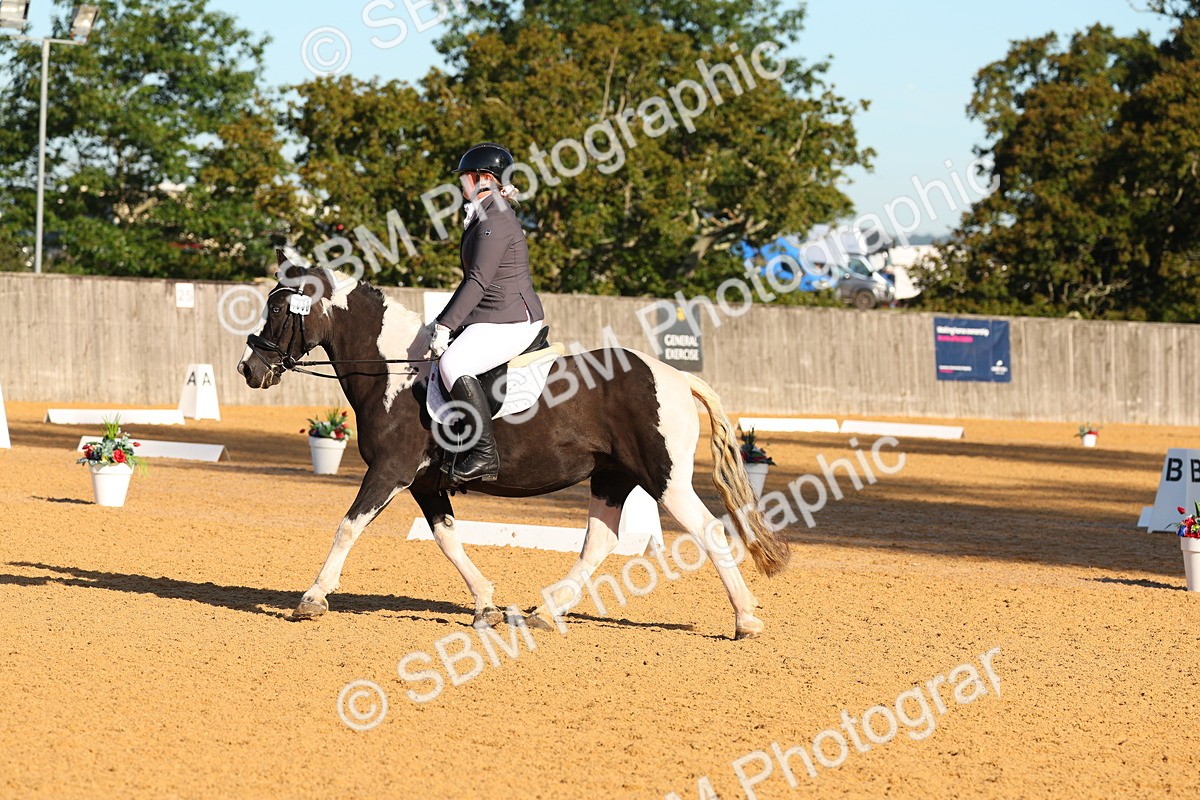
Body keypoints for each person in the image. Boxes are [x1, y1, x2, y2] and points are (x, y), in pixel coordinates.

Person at [426, 143, 546, 484]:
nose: (461, 183)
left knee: (452, 364)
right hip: (492, 313)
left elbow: (478, 280)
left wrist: (446, 325)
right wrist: (444, 324)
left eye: (465, 177)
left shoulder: (497, 219)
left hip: (512, 317)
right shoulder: (486, 213)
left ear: (484, 178)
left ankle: (483, 453)